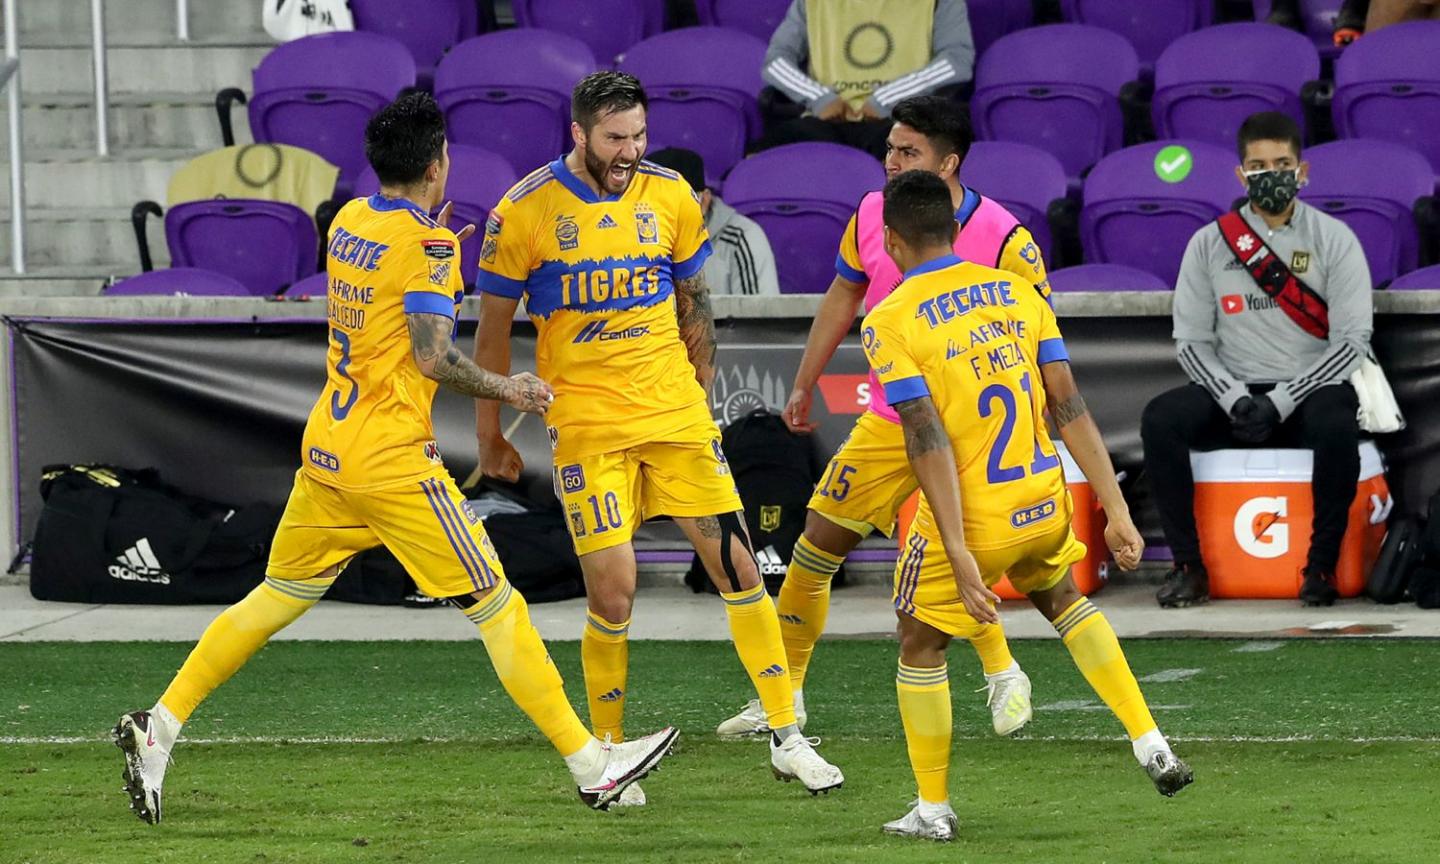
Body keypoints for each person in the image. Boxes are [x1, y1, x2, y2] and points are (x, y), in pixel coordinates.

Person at [110, 93, 679, 825]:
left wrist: (428, 243)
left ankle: (160, 726)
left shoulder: (349, 220)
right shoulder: (431, 249)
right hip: (390, 461)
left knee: (275, 596)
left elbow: (386, 291)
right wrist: (510, 385)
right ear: (439, 163)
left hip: (329, 451)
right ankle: (589, 763)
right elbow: (433, 356)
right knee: (497, 603)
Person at [473, 72, 843, 806]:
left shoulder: (670, 194)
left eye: (639, 136)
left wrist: (701, 405)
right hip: (587, 428)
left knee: (738, 566)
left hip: (674, 417)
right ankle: (609, 756)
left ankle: (785, 736)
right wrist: (490, 438)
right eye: (615, 138)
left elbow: (694, 306)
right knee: (614, 593)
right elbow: (489, 333)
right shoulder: (523, 211)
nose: (630, 151)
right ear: (577, 134)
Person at [864, 171, 1193, 840]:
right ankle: (1149, 740)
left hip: (977, 515)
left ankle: (932, 809)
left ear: (892, 242)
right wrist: (1117, 508)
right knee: (1063, 598)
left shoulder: (889, 320)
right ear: (955, 231)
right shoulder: (1018, 294)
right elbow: (1068, 405)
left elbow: (924, 435)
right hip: (1044, 499)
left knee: (919, 639)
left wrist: (957, 550)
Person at [718, 95, 1048, 741]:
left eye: (908, 152)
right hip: (891, 423)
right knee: (814, 546)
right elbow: (845, 291)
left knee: (959, 560)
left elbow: (1038, 343)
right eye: (890, 150)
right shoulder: (871, 212)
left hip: (964, 431)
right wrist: (804, 383)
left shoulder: (1007, 236)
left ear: (949, 162)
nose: (891, 162)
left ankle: (1003, 670)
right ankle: (782, 699)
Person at [1143, 111, 1372, 609]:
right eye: (1259, 165)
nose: (1272, 174)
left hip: (1307, 396)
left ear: (1303, 171)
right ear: (1241, 174)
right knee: (1162, 419)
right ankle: (1188, 567)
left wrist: (1285, 399)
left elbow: (1353, 341)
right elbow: (1191, 341)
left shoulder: (1335, 239)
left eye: (1283, 163)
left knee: (1337, 421)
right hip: (1236, 398)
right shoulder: (1208, 243)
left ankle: (1321, 568)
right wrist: (1233, 398)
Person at [756, 0, 975, 160]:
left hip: (903, 120)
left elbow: (956, 61)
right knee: (763, 157)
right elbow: (776, 61)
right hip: (824, 122)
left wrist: (887, 99)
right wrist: (819, 98)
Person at [646, 147, 781, 296]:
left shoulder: (740, 240)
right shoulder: (631, 240)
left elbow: (758, 316)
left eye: (676, 204)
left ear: (704, 201)